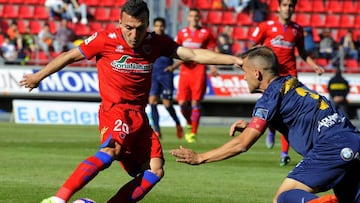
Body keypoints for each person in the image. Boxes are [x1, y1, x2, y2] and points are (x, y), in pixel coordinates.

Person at [19, 1, 242, 203]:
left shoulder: (156, 43)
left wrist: (233, 59)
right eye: (129, 27)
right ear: (120, 23)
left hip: (139, 116)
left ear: (147, 24)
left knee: (155, 170)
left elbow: (192, 54)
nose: (135, 34)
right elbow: (69, 55)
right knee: (110, 151)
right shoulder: (104, 40)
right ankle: (58, 199)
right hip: (115, 109)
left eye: (141, 27)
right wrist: (39, 76)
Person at [170, 46, 360, 203]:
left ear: (257, 73)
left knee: (283, 198)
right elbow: (296, 115)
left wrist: (200, 157)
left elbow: (243, 144)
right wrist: (251, 125)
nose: (244, 78)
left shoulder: (269, 97)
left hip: (330, 146)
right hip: (351, 138)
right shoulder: (291, 82)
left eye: (245, 73)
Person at [249, 0, 325, 166]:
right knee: (272, 109)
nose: (288, 8)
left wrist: (314, 65)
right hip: (271, 75)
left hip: (290, 76)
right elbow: (252, 46)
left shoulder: (297, 29)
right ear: (278, 7)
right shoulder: (266, 26)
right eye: (284, 5)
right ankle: (271, 130)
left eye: (291, 5)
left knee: (289, 115)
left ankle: (284, 153)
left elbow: (303, 53)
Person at [175, 8, 218, 143]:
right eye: (191, 15)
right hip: (185, 71)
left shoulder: (205, 33)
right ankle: (189, 122)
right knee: (182, 103)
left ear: (199, 18)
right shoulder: (182, 33)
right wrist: (173, 66)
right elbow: (176, 51)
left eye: (196, 16)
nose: (193, 18)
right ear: (188, 18)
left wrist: (212, 66)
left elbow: (212, 50)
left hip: (199, 70)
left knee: (195, 102)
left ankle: (193, 132)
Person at [149, 17, 183, 139]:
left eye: (161, 26)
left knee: (167, 104)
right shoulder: (149, 40)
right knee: (152, 101)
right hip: (153, 74)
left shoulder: (168, 40)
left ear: (164, 27)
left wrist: (173, 67)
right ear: (153, 26)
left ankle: (178, 124)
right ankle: (157, 130)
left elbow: (182, 55)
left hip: (166, 75)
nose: (159, 28)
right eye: (157, 25)